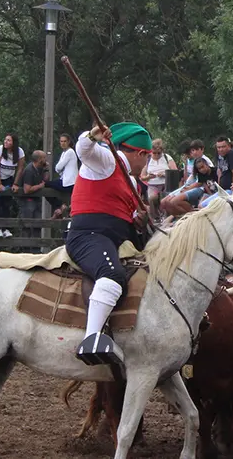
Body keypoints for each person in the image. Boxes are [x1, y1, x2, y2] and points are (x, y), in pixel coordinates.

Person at [66, 122, 152, 366]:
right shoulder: (108, 160)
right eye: (146, 159)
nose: (146, 166)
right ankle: (91, 339)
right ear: (140, 153)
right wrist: (90, 134)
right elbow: (84, 150)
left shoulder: (133, 184)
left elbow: (126, 216)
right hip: (89, 235)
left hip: (118, 238)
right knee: (111, 274)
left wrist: (139, 220)